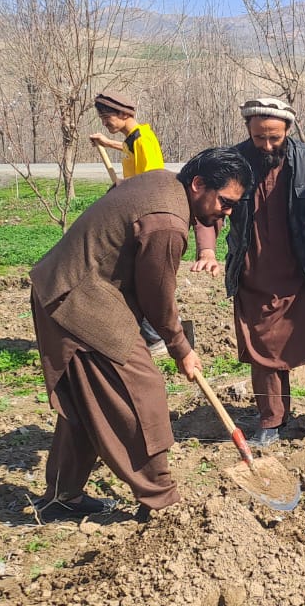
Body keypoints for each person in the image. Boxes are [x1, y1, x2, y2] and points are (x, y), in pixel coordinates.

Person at [29, 147, 251, 522]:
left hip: (63, 286)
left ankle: (63, 495)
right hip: (80, 300)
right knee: (140, 392)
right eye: (225, 203)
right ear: (198, 184)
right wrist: (182, 348)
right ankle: (163, 503)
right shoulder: (166, 223)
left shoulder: (164, 181)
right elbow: (157, 298)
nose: (226, 214)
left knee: (88, 400)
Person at [191, 97, 305, 449]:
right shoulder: (233, 161)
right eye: (260, 138)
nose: (268, 145)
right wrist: (207, 251)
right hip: (255, 272)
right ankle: (273, 419)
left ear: (287, 130)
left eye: (274, 137)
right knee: (263, 350)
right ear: (249, 132)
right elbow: (210, 211)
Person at [88, 89, 171, 358]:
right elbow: (129, 152)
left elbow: (153, 182)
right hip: (131, 215)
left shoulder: (144, 140)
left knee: (133, 279)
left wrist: (124, 192)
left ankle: (157, 338)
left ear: (125, 114)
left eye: (107, 118)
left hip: (142, 221)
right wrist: (106, 143)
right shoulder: (132, 139)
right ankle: (156, 335)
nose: (105, 123)